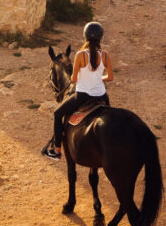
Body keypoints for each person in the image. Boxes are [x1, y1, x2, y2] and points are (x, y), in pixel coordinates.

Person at [42, 22, 113, 159]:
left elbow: (74, 78)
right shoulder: (105, 55)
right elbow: (110, 77)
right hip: (101, 95)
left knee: (57, 114)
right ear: (100, 38)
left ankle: (56, 150)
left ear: (85, 37)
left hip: (82, 96)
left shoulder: (80, 55)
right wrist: (98, 78)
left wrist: (85, 77)